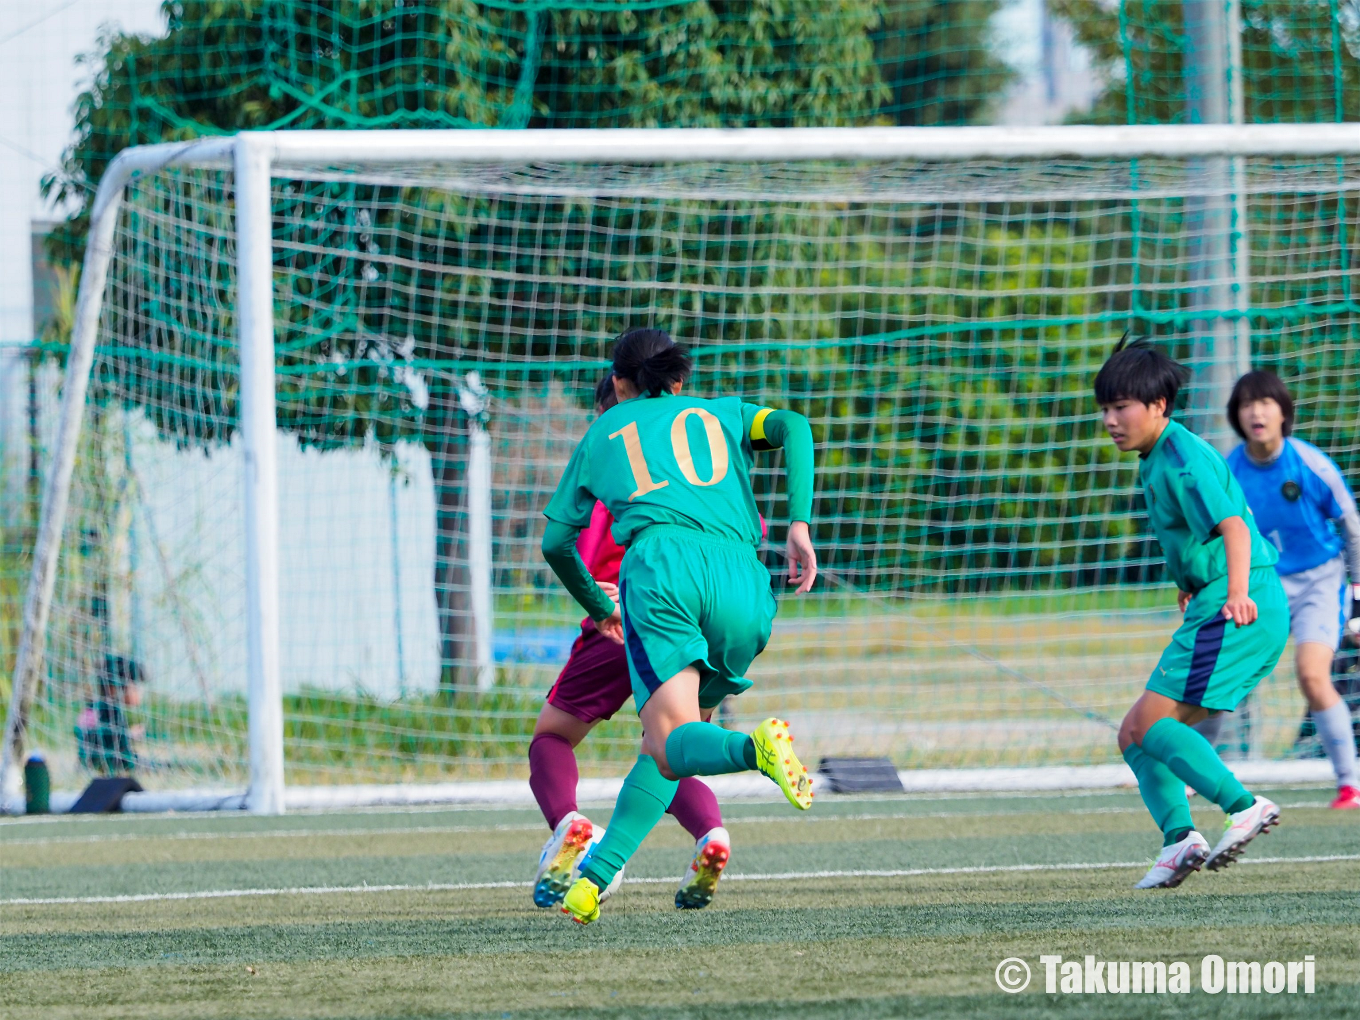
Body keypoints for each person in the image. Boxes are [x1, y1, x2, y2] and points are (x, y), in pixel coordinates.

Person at [540, 327, 817, 925]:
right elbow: (794, 424)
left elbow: (556, 544)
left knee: (669, 741)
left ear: (617, 385)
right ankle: (596, 877)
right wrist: (799, 524)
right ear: (679, 380)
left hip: (664, 572)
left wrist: (598, 604)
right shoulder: (722, 413)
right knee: (666, 750)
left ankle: (755, 748)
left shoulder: (603, 431)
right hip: (746, 582)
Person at [530, 372, 733, 911]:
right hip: (690, 617)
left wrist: (600, 601)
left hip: (619, 620)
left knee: (551, 737)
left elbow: (569, 546)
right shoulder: (698, 474)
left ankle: (569, 824)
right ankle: (710, 834)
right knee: (673, 750)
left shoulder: (604, 466)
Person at [1095, 336, 1289, 890]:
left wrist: (1233, 591)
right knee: (1135, 734)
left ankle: (1244, 806)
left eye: (1121, 407)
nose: (1110, 419)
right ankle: (1180, 839)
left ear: (1158, 406)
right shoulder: (1155, 457)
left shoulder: (1182, 455)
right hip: (1216, 597)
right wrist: (1190, 583)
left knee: (1151, 724)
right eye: (1105, 408)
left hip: (1239, 602)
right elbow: (1193, 534)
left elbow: (1231, 525)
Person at [1222, 370, 1360, 809]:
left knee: (1312, 674)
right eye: (1246, 404)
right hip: (1262, 583)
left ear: (1284, 412)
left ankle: (1350, 783)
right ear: (1236, 415)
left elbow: (1352, 528)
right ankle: (1194, 770)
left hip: (1320, 581)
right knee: (1224, 675)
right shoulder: (1229, 471)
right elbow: (1216, 535)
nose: (1256, 412)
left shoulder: (1310, 463)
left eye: (1265, 402)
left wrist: (1357, 596)